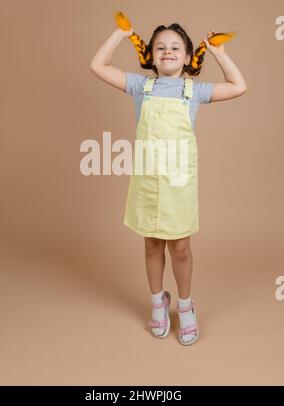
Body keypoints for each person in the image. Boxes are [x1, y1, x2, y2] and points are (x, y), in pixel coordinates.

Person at [90, 22, 247, 345]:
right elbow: (98, 66)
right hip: (147, 179)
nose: (168, 51)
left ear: (188, 56)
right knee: (151, 244)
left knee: (180, 246)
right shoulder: (140, 86)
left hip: (179, 182)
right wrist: (121, 34)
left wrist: (219, 53)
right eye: (160, 46)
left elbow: (238, 85)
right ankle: (157, 300)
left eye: (176, 47)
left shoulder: (196, 91)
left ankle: (186, 306)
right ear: (151, 55)